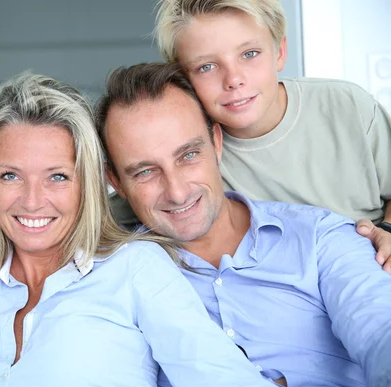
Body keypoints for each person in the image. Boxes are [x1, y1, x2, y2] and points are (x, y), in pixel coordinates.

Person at [0, 74, 292, 387]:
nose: (32, 200)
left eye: (57, 176)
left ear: (89, 184)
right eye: (10, 175)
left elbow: (225, 384)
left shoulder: (134, 268)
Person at [95, 62, 391, 387]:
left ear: (216, 144)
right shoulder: (109, 274)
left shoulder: (319, 237)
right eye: (145, 172)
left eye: (189, 155)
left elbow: (381, 329)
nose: (176, 191)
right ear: (115, 181)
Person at [110, 0, 391, 270]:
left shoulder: (347, 106)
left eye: (249, 54)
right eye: (206, 67)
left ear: (280, 52)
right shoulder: (190, 152)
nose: (233, 79)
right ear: (182, 80)